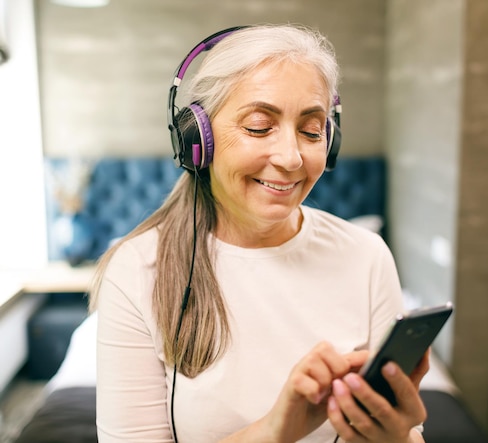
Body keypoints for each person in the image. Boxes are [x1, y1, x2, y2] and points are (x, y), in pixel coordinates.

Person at [89, 23, 429, 443]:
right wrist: (274, 431)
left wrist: (400, 437)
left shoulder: (367, 255)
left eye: (311, 131)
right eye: (258, 126)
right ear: (200, 138)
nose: (290, 158)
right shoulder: (139, 270)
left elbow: (402, 432)